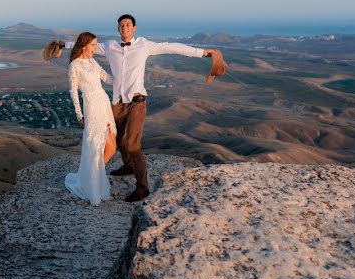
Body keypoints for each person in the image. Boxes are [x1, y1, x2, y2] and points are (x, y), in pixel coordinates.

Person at [47, 14, 224, 202]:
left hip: (136, 102)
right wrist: (62, 44)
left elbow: (172, 47)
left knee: (132, 144)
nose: (124, 27)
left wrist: (203, 52)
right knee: (118, 140)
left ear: (134, 28)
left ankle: (142, 188)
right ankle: (128, 166)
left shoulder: (144, 45)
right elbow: (83, 45)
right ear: (118, 29)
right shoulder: (109, 47)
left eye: (128, 25)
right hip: (116, 102)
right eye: (121, 25)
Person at [59, 32, 118, 205]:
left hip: (104, 103)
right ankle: (90, 183)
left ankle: (93, 177)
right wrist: (79, 114)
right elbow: (73, 92)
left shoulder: (92, 61)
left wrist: (124, 79)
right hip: (91, 106)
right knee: (95, 145)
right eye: (93, 45)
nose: (95, 48)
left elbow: (107, 78)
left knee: (111, 146)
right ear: (84, 45)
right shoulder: (74, 65)